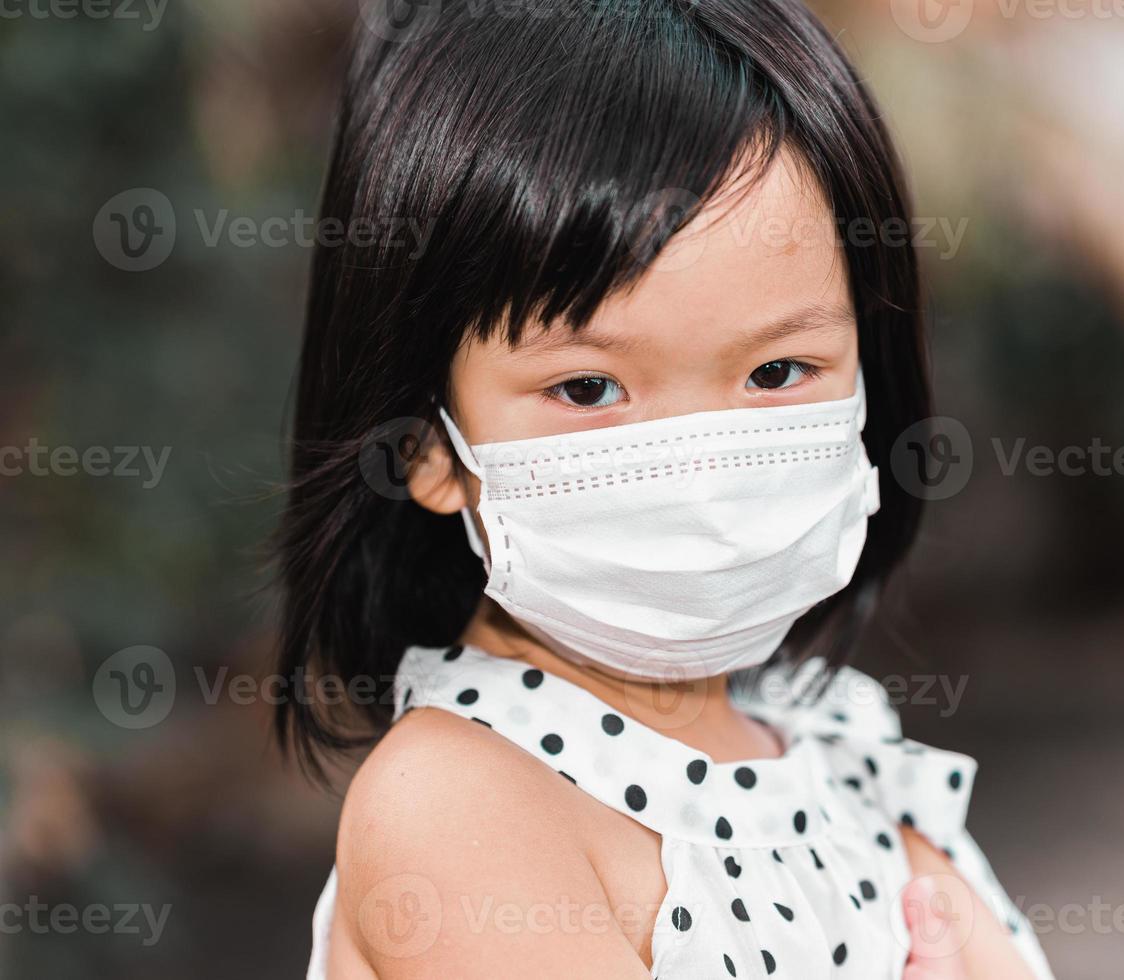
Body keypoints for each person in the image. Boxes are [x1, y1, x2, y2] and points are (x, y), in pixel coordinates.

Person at [276, 2, 1054, 977]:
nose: (703, 467)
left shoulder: (842, 746)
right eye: (589, 386)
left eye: (777, 372)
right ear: (428, 442)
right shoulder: (456, 805)